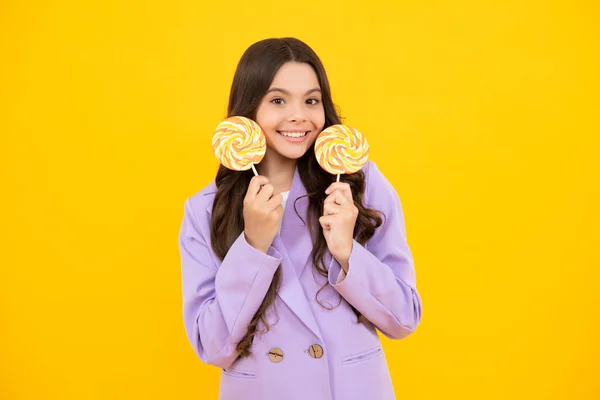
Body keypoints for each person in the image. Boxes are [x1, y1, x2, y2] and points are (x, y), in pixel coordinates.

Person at [178, 37, 422, 400]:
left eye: (311, 100)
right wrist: (252, 247)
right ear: (249, 111)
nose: (299, 116)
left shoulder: (360, 185)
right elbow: (212, 347)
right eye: (278, 100)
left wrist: (346, 252)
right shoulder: (206, 209)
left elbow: (404, 318)